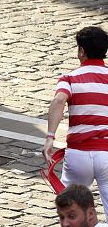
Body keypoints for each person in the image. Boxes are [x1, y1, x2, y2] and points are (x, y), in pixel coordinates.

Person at [45, 27, 108, 221]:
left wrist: (50, 137)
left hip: (78, 154)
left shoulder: (70, 78)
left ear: (81, 51)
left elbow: (58, 101)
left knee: (71, 209)